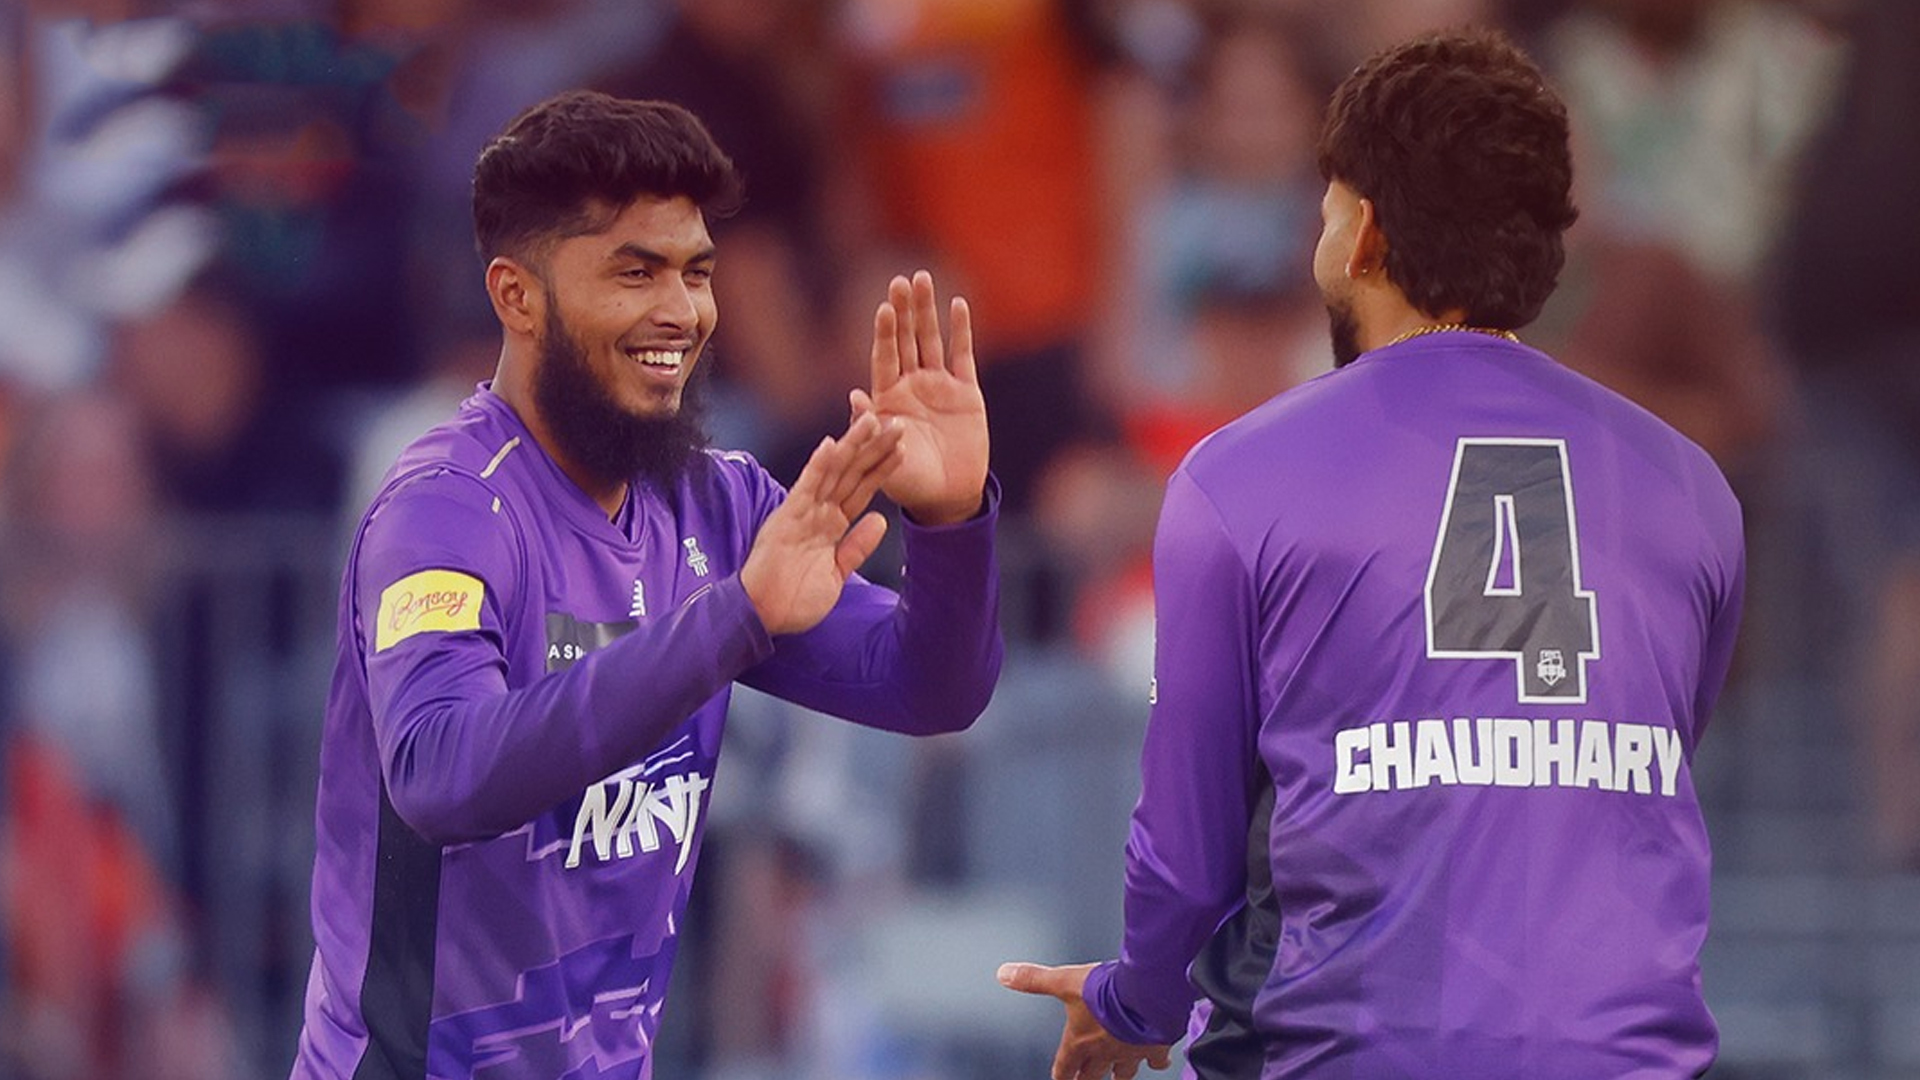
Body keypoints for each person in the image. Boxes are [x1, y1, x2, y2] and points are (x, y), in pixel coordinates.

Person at [999, 28, 1745, 1079]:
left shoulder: (1236, 479)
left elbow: (1186, 852)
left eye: (1326, 204)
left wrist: (1136, 1000)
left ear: (1364, 234)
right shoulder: (1692, 489)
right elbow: (1645, 760)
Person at [289, 90, 1003, 1079]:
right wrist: (732, 620)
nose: (681, 312)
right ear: (517, 297)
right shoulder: (446, 509)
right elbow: (439, 773)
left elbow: (931, 690)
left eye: (696, 273)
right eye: (636, 273)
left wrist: (953, 522)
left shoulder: (718, 506)